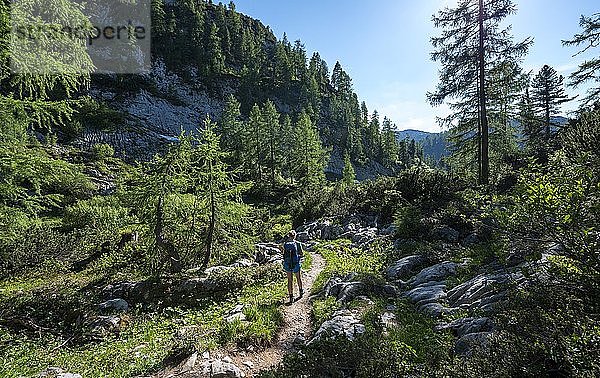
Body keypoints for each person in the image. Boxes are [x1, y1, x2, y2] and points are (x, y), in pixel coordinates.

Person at [280, 230, 304, 304]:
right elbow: (302, 254)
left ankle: (291, 297)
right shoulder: (298, 244)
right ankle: (301, 292)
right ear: (295, 236)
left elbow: (283, 254)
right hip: (296, 263)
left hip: (287, 264)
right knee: (298, 278)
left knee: (290, 280)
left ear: (289, 236)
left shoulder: (285, 244)